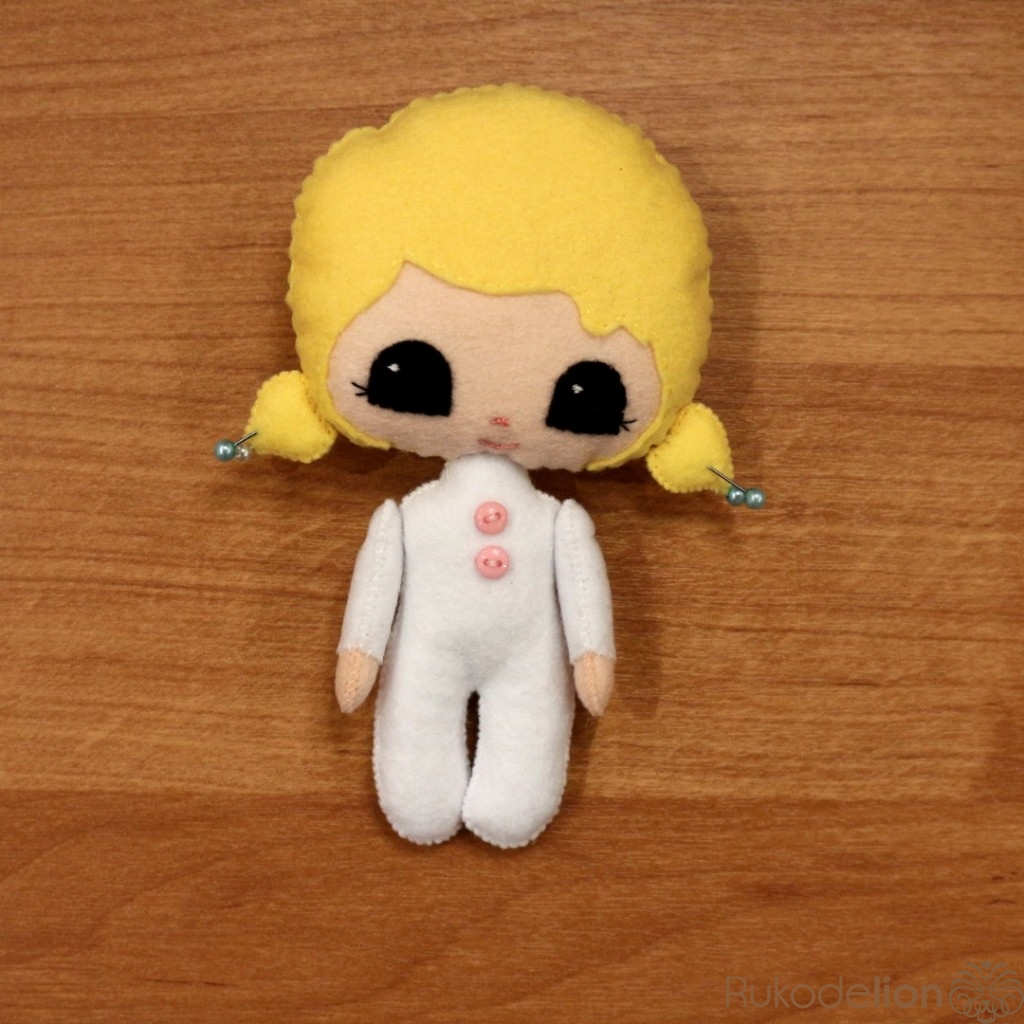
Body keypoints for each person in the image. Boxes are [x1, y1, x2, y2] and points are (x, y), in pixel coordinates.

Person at [241, 84, 733, 847]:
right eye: (411, 374)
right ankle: (424, 794)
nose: (501, 419)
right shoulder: (408, 517)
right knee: (418, 727)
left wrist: (591, 655)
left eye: (585, 394)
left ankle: (511, 799)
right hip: (428, 644)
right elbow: (379, 581)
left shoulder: (558, 522)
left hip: (529, 652)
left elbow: (581, 589)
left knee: (526, 733)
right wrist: (361, 652)